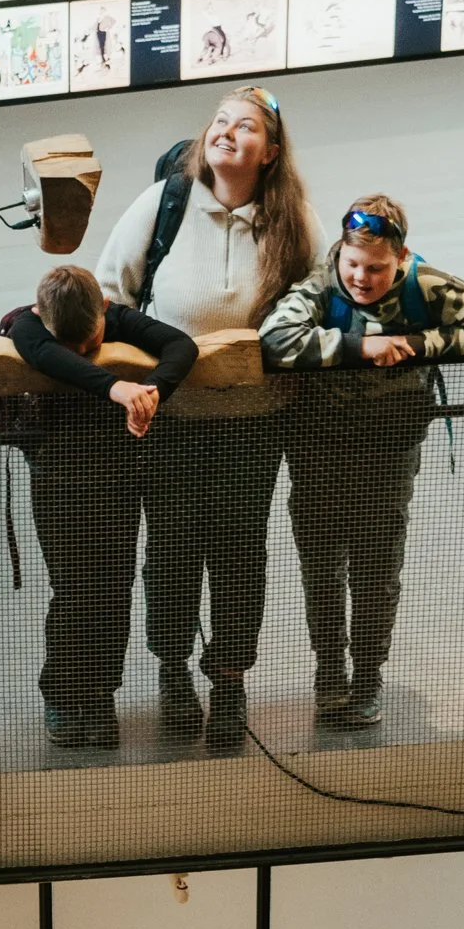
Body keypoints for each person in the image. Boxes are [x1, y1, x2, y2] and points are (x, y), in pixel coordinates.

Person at [96, 87, 318, 752]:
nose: (226, 132)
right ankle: (171, 672)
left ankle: (228, 679)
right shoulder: (164, 202)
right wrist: (166, 353)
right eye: (219, 121)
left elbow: (318, 300)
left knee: (240, 553)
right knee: (170, 553)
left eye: (245, 126)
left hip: (257, 420)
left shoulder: (292, 219)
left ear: (269, 151)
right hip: (173, 419)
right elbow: (110, 295)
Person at [258, 193, 464, 728]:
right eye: (353, 264)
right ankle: (330, 671)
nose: (361, 278)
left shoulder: (424, 285)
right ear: (340, 254)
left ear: (400, 256)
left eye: (375, 268)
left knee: (376, 569)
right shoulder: (323, 282)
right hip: (317, 445)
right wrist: (361, 347)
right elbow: (275, 339)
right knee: (321, 567)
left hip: (389, 449)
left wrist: (417, 344)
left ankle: (368, 675)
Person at [0, 263, 199, 748]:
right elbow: (41, 351)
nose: (79, 351)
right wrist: (115, 386)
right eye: (67, 343)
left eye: (87, 340)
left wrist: (152, 391)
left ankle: (100, 695)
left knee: (113, 588)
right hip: (57, 479)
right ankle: (64, 695)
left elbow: (182, 347)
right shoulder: (25, 325)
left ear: (105, 309)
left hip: (118, 476)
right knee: (73, 589)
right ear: (39, 312)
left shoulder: (120, 317)